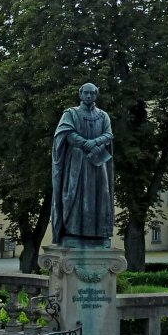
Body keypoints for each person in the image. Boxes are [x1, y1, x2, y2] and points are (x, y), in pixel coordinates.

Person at [51, 82, 114, 247]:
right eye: (86, 93)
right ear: (80, 94)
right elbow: (66, 133)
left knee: (101, 195)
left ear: (96, 94)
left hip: (98, 162)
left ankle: (99, 233)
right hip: (77, 161)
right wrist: (85, 143)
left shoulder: (103, 116)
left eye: (92, 93)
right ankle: (73, 231)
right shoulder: (71, 114)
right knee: (74, 194)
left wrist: (95, 142)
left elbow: (108, 134)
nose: (88, 96)